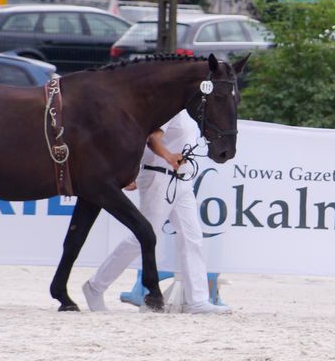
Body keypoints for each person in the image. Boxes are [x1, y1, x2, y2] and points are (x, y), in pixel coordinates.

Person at [82, 111, 229, 314]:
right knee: (141, 238)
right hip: (159, 177)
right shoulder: (173, 109)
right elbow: (152, 138)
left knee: (192, 238)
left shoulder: (191, 112)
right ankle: (95, 286)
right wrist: (169, 157)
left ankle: (198, 300)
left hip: (182, 180)